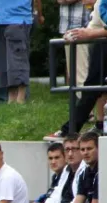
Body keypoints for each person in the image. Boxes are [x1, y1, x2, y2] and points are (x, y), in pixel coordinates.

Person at [45, 0, 107, 140]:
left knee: (92, 88)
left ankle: (70, 130)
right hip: (101, 47)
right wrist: (75, 34)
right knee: (92, 89)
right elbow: (94, 23)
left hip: (103, 46)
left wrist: (90, 35)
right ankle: (76, 128)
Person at [0, 0, 33, 104]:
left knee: (18, 61)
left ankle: (20, 99)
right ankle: (11, 99)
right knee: (4, 63)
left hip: (18, 17)